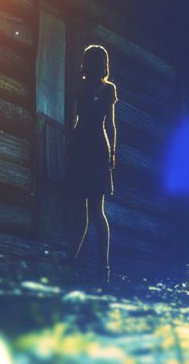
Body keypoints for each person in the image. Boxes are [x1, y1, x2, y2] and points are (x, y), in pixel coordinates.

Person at [67, 44, 117, 282]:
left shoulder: (105, 89)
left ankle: (99, 265)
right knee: (91, 211)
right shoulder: (84, 86)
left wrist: (111, 154)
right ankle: (86, 263)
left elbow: (108, 124)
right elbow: (109, 125)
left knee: (91, 211)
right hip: (90, 147)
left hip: (91, 147)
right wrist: (112, 153)